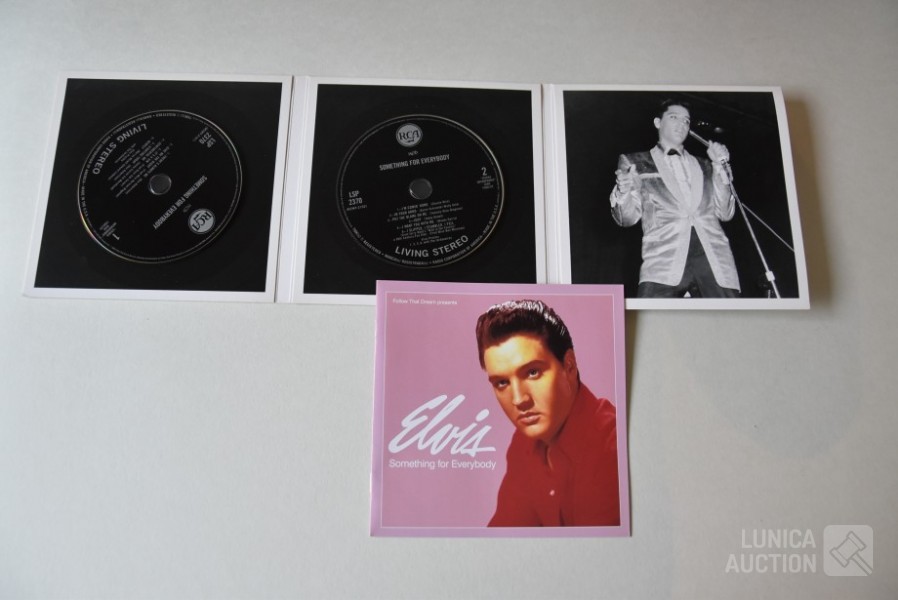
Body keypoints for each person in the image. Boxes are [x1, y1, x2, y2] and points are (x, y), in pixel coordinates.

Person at [475, 299, 620, 527]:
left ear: (569, 366)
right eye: (502, 383)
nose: (519, 399)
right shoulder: (524, 444)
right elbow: (503, 538)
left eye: (532, 372)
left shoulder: (610, 446)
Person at [611, 99, 741, 297]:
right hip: (663, 260)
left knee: (730, 316)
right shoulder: (635, 162)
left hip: (714, 259)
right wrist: (623, 191)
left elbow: (725, 213)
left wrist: (719, 166)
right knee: (650, 315)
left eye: (686, 121)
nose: (682, 124)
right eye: (674, 117)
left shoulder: (707, 165)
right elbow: (627, 219)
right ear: (657, 122)